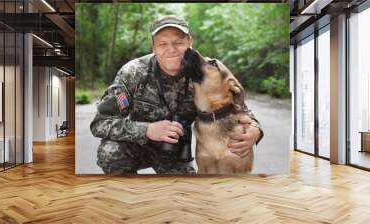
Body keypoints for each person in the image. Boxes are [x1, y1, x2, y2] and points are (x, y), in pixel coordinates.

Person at [90, 15, 263, 175]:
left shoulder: (200, 75)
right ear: (154, 47)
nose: (171, 49)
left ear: (190, 42)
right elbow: (99, 123)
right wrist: (147, 130)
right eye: (163, 44)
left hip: (175, 152)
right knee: (110, 152)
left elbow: (238, 107)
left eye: (178, 42)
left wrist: (255, 131)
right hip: (137, 145)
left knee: (186, 194)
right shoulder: (134, 72)